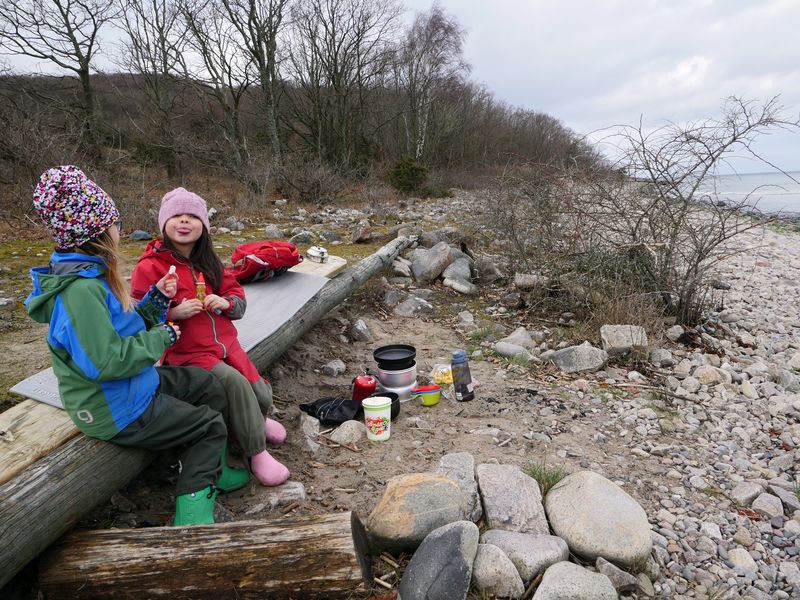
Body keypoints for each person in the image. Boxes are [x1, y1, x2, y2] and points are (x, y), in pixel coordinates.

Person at [25, 165, 252, 526]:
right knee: (209, 425)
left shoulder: (90, 275)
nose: (119, 229)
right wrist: (160, 337)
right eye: (115, 223)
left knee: (208, 384)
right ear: (98, 232)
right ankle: (192, 518)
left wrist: (153, 304)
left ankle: (210, 468)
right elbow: (106, 362)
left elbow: (118, 328)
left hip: (132, 385)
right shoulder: (80, 292)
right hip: (114, 406)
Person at [131, 187, 289, 487]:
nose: (184, 221)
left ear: (203, 225)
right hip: (187, 353)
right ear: (164, 223)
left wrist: (225, 303)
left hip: (227, 345)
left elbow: (237, 296)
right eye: (176, 216)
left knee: (261, 393)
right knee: (235, 384)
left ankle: (254, 421)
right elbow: (138, 318)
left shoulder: (210, 262)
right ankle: (255, 453)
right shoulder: (150, 266)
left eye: (192, 216)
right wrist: (173, 313)